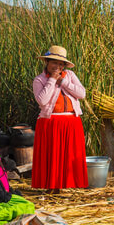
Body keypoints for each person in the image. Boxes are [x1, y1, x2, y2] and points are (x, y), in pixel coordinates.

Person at [32, 46, 88, 191]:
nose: (58, 66)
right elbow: (42, 101)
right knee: (52, 156)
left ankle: (69, 186)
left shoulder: (69, 75)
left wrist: (63, 82)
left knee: (70, 155)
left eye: (61, 64)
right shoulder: (39, 80)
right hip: (50, 122)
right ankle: (51, 187)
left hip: (71, 121)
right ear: (47, 62)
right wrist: (52, 80)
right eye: (54, 63)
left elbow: (81, 94)